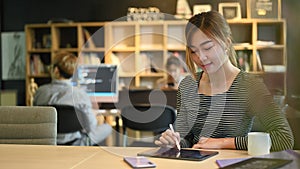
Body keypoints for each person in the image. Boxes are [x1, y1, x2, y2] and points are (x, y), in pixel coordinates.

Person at [155, 11, 294, 151]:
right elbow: (188, 140)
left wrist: (223, 143)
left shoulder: (249, 85)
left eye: (207, 48)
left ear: (226, 43)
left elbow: (284, 138)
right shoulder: (187, 85)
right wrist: (175, 143)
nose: (200, 57)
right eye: (193, 51)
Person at [33, 52, 112, 146]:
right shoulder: (81, 95)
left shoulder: (40, 91)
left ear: (56, 70)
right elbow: (91, 127)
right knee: (108, 128)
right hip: (74, 143)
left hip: (47, 141)